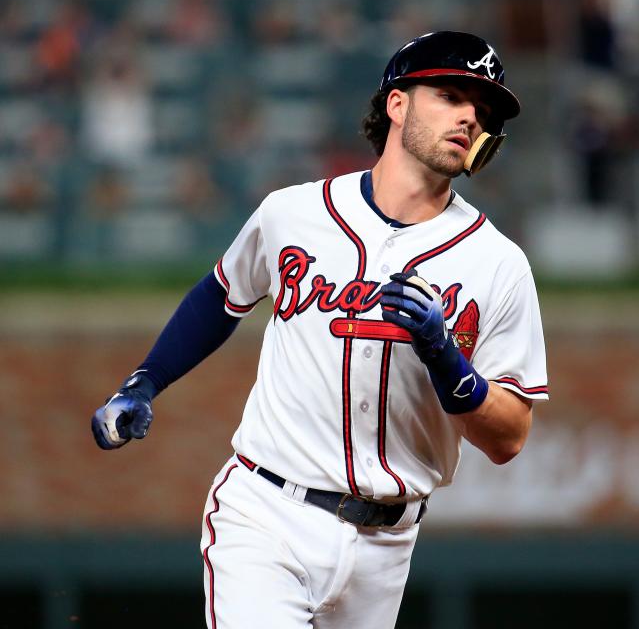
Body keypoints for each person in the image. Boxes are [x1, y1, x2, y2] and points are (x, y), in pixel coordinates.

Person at [91, 31, 549, 629]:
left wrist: (450, 366)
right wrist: (145, 381)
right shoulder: (295, 213)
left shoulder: (498, 263)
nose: (469, 115)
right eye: (449, 94)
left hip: (388, 547)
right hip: (268, 513)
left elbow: (508, 437)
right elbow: (221, 293)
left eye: (482, 110)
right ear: (398, 103)